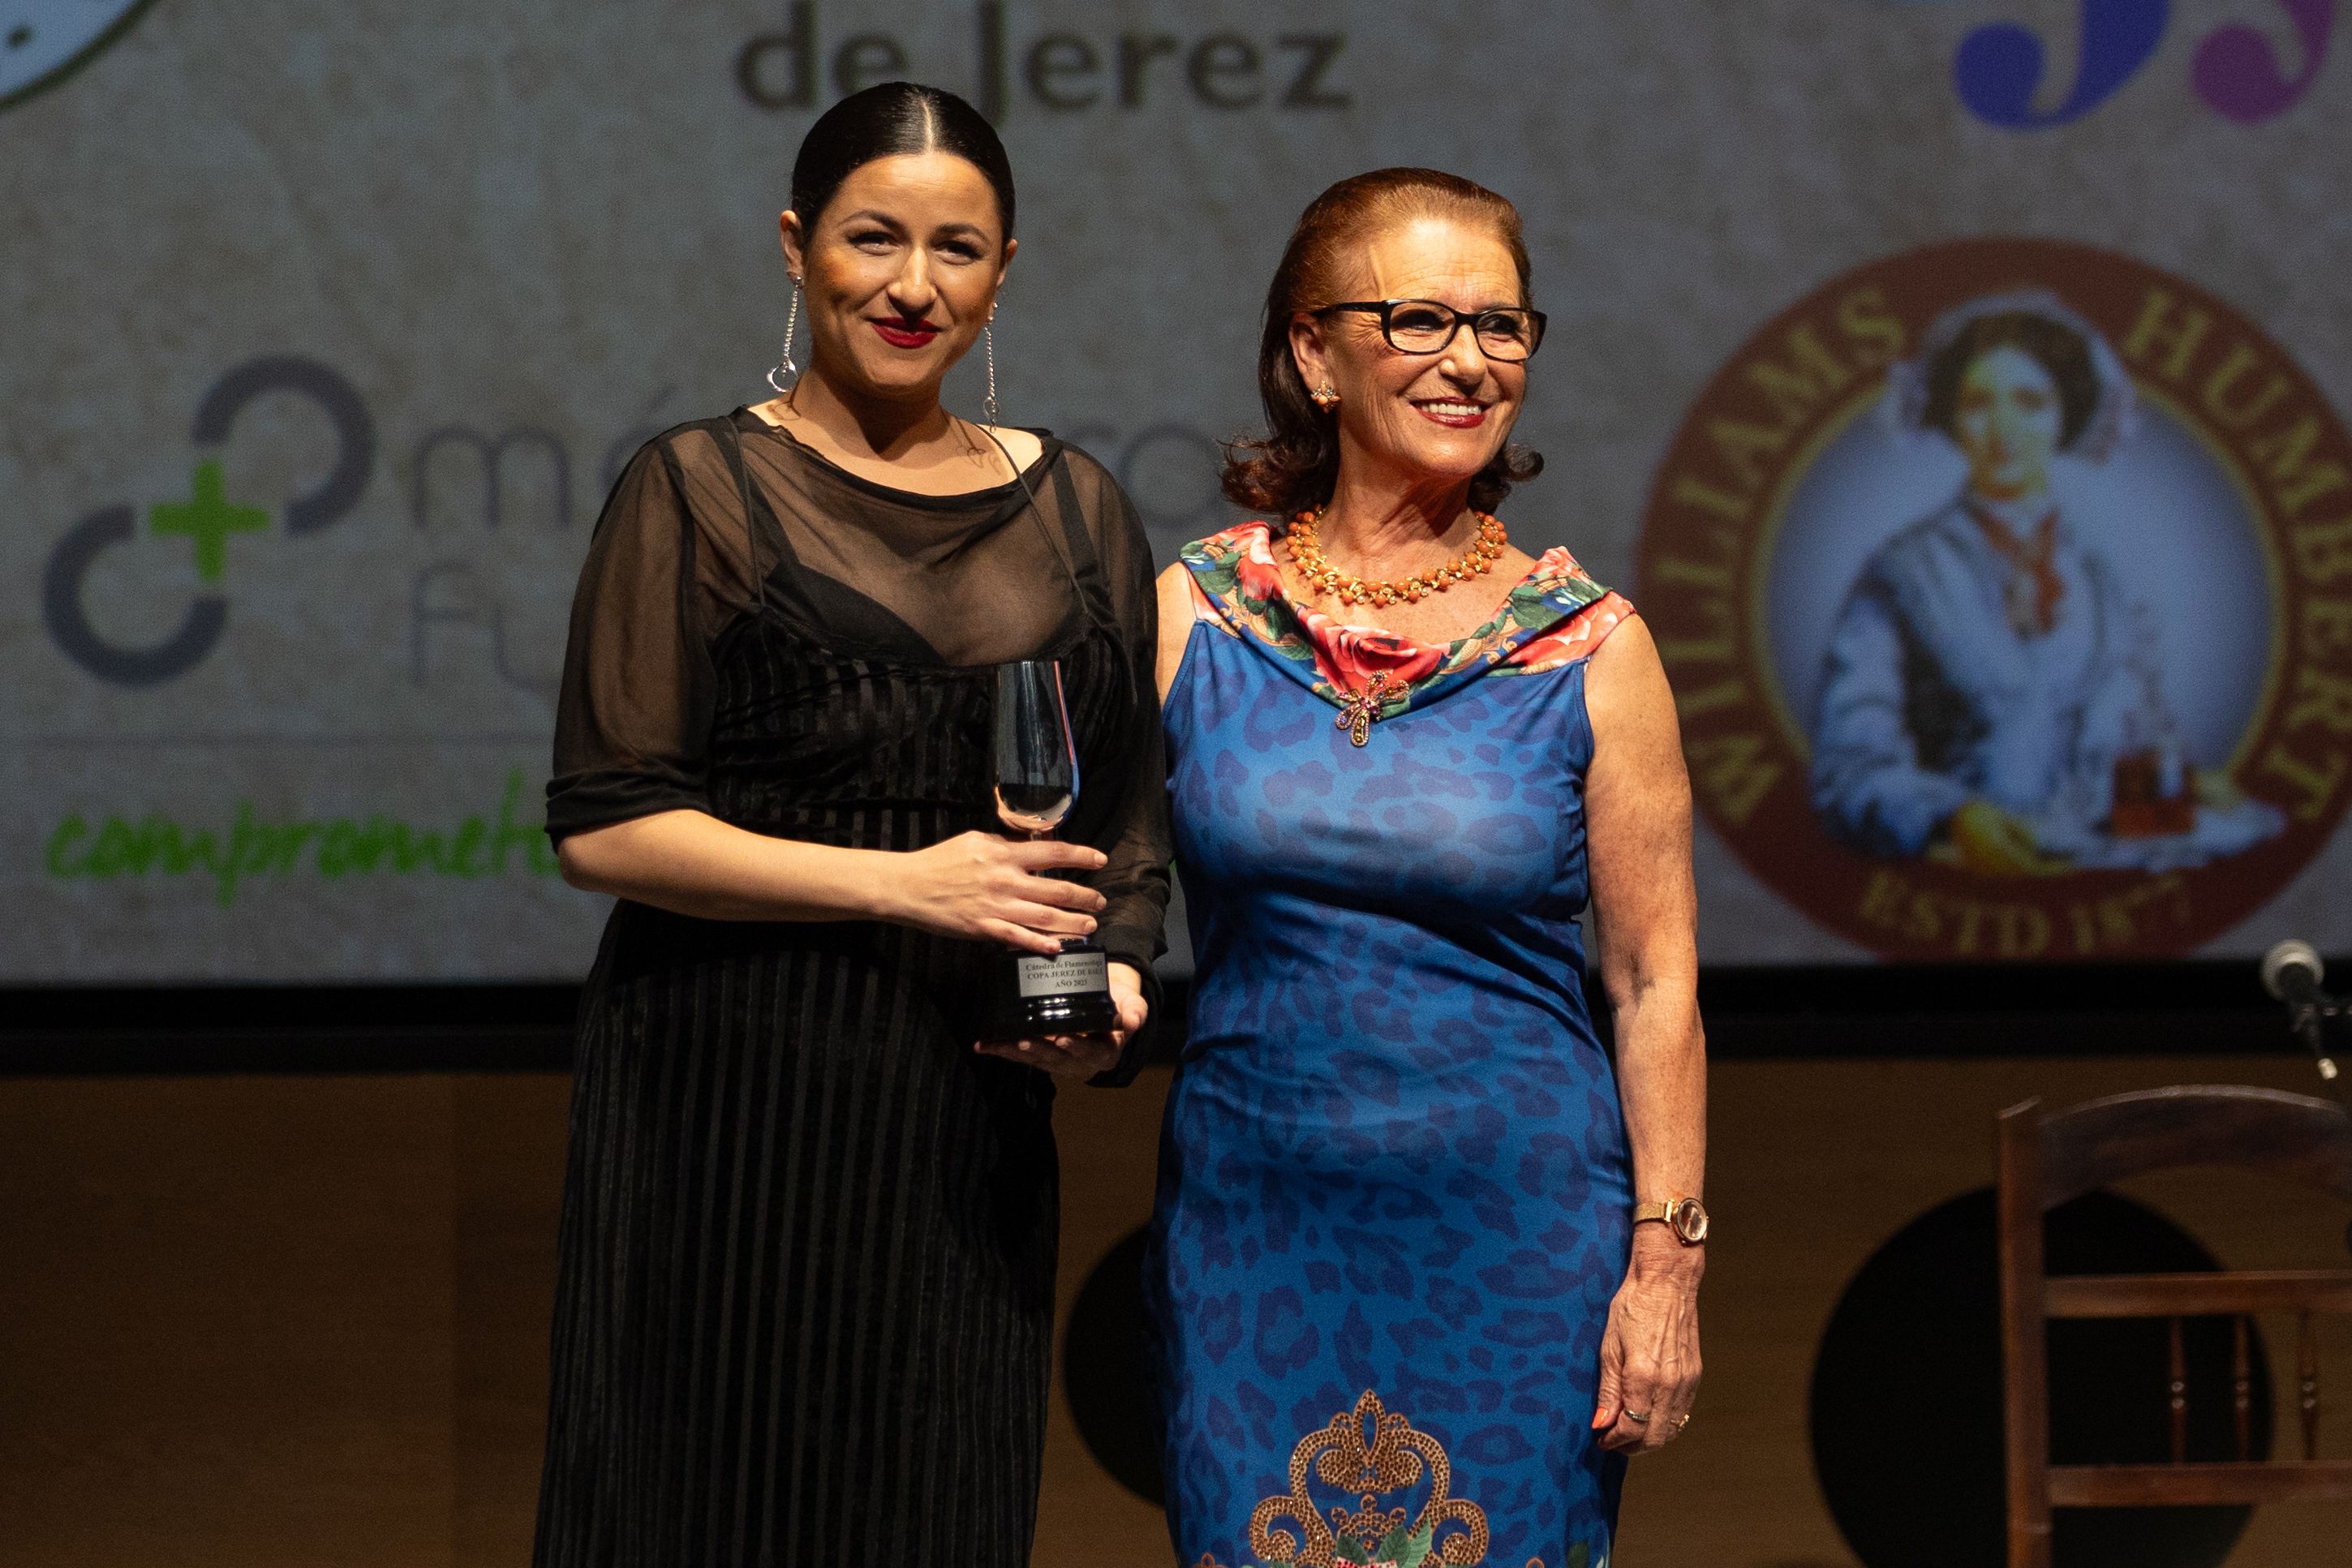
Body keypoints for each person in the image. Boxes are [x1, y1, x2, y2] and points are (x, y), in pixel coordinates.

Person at [531, 82, 1168, 1568]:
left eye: (958, 248)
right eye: (873, 238)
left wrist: (1113, 988)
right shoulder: (697, 489)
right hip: (720, 1109)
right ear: (795, 245)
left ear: (1003, 272)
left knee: (931, 1509)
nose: (912, 285)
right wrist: (905, 884)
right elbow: (605, 825)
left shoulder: (1079, 510)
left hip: (960, 1130)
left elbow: (1124, 825)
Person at [1146, 169, 1707, 1568]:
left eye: (1499, 326)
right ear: (1310, 352)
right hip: (1254, 1232)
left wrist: (1664, 1263)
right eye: (1417, 319)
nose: (1468, 360)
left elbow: (1652, 983)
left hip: (1518, 1243)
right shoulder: (1195, 615)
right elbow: (1087, 883)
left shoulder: (1589, 646)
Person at [1811, 291, 2281, 874]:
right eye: (1978, 404)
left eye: (2030, 402)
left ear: (2065, 416)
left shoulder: (2100, 579)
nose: (2003, 429)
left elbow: (2110, 761)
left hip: (2084, 877)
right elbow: (1847, 770)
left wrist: (2179, 790)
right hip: (1958, 881)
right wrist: (1953, 818)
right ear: (1952, 419)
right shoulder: (1902, 572)